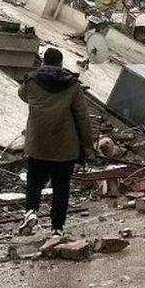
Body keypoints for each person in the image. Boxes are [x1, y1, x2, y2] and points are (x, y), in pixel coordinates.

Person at [16, 48, 94, 237]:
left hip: (38, 144)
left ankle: (31, 211)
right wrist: (88, 144)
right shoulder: (72, 85)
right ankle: (57, 229)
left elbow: (22, 95)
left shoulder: (31, 82)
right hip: (65, 147)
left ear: (43, 61)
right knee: (61, 187)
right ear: (60, 63)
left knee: (34, 181)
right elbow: (82, 117)